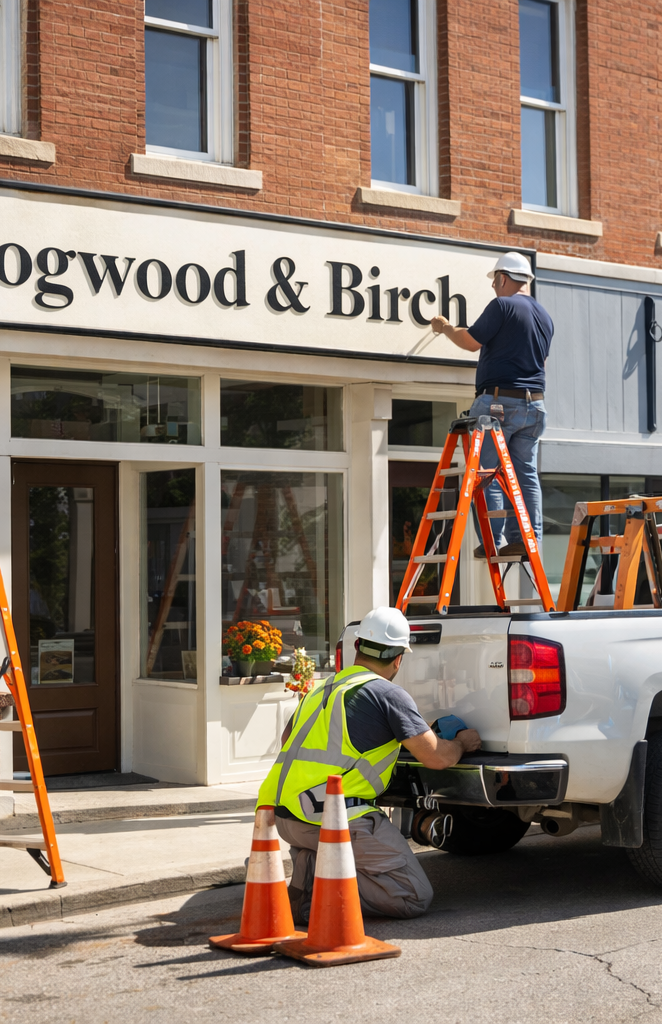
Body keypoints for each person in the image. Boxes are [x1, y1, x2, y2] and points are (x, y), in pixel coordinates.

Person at [258, 606, 481, 921]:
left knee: (324, 844)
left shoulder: (320, 689)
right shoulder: (388, 694)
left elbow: (288, 740)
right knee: (412, 896)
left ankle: (310, 876)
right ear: (399, 659)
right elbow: (437, 757)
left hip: (287, 818)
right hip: (334, 819)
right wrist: (461, 742)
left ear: (356, 647)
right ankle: (318, 895)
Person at [429, 251, 554, 557]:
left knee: (488, 471)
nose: (494, 289)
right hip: (534, 407)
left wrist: (445, 327)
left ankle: (491, 541)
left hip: (498, 403)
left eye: (495, 283)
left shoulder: (502, 305)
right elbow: (542, 363)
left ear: (502, 278)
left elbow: (471, 341)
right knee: (524, 474)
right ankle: (526, 540)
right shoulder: (545, 317)